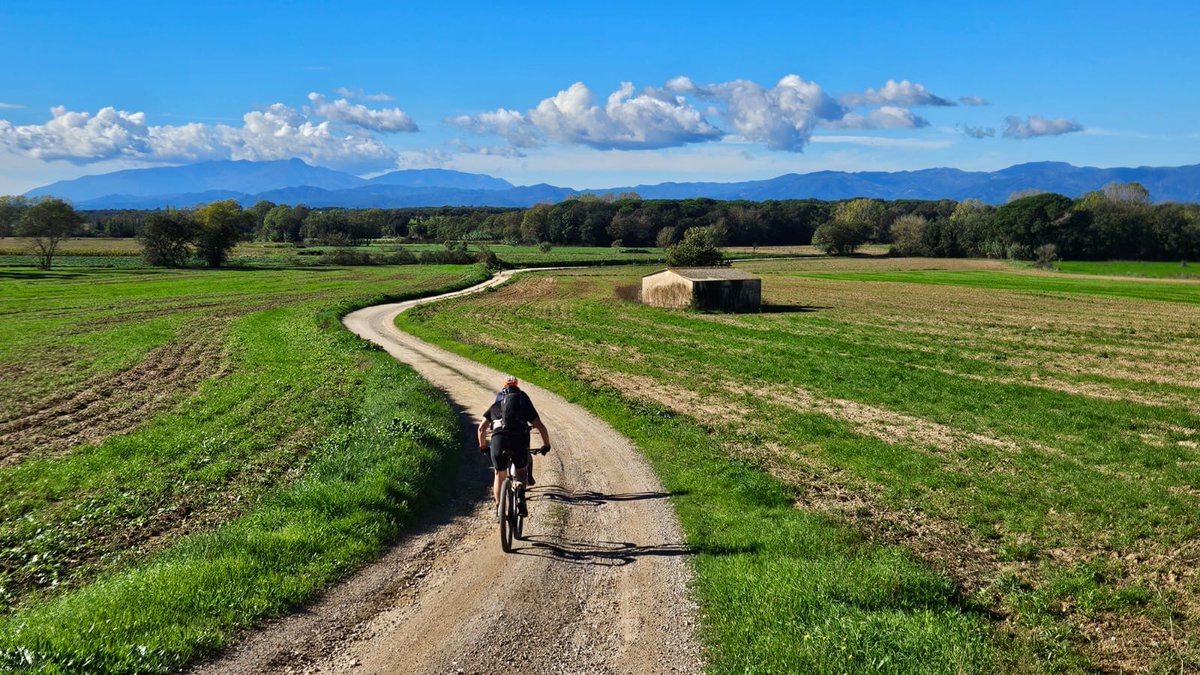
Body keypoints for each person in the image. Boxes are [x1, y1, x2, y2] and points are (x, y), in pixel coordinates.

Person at [477, 375, 550, 519]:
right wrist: (546, 445)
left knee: (499, 474)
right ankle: (520, 492)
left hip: (499, 440)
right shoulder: (523, 404)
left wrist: (483, 446)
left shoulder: (496, 405)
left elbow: (481, 429)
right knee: (522, 472)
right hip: (518, 439)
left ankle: (499, 509)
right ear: (517, 388)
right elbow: (541, 426)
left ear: (504, 389)